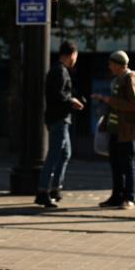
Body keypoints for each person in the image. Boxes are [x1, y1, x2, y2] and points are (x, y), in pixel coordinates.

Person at [91, 50, 135, 210]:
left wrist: (108, 99)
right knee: (116, 165)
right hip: (115, 130)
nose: (109, 67)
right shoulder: (118, 79)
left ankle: (130, 197)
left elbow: (134, 105)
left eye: (111, 64)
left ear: (119, 65)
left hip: (126, 131)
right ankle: (117, 196)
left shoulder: (130, 78)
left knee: (127, 165)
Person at [36, 40, 83, 208]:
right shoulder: (60, 71)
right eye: (76, 56)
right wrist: (72, 101)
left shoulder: (60, 71)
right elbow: (58, 94)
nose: (76, 59)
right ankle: (43, 191)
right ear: (71, 55)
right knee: (55, 155)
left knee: (65, 153)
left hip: (60, 118)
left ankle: (55, 188)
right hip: (59, 118)